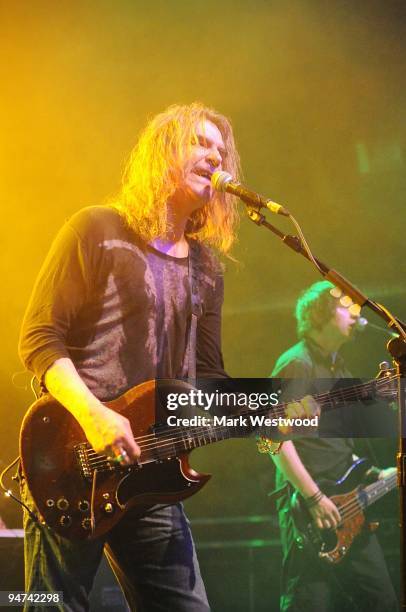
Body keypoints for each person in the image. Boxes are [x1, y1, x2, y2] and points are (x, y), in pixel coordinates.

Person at [18, 102, 242, 612]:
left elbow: (209, 378)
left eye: (221, 148)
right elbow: (38, 337)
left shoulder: (207, 267)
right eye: (200, 143)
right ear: (162, 153)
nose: (216, 156)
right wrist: (96, 417)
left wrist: (265, 412)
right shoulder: (96, 229)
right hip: (72, 460)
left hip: (152, 477)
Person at [269, 280, 397, 612]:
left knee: (382, 601)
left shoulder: (338, 368)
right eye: (346, 306)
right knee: (310, 601)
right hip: (310, 508)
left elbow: (335, 445)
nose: (357, 313)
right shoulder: (298, 364)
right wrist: (313, 497)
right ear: (321, 312)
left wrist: (374, 472)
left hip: (349, 506)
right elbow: (273, 439)